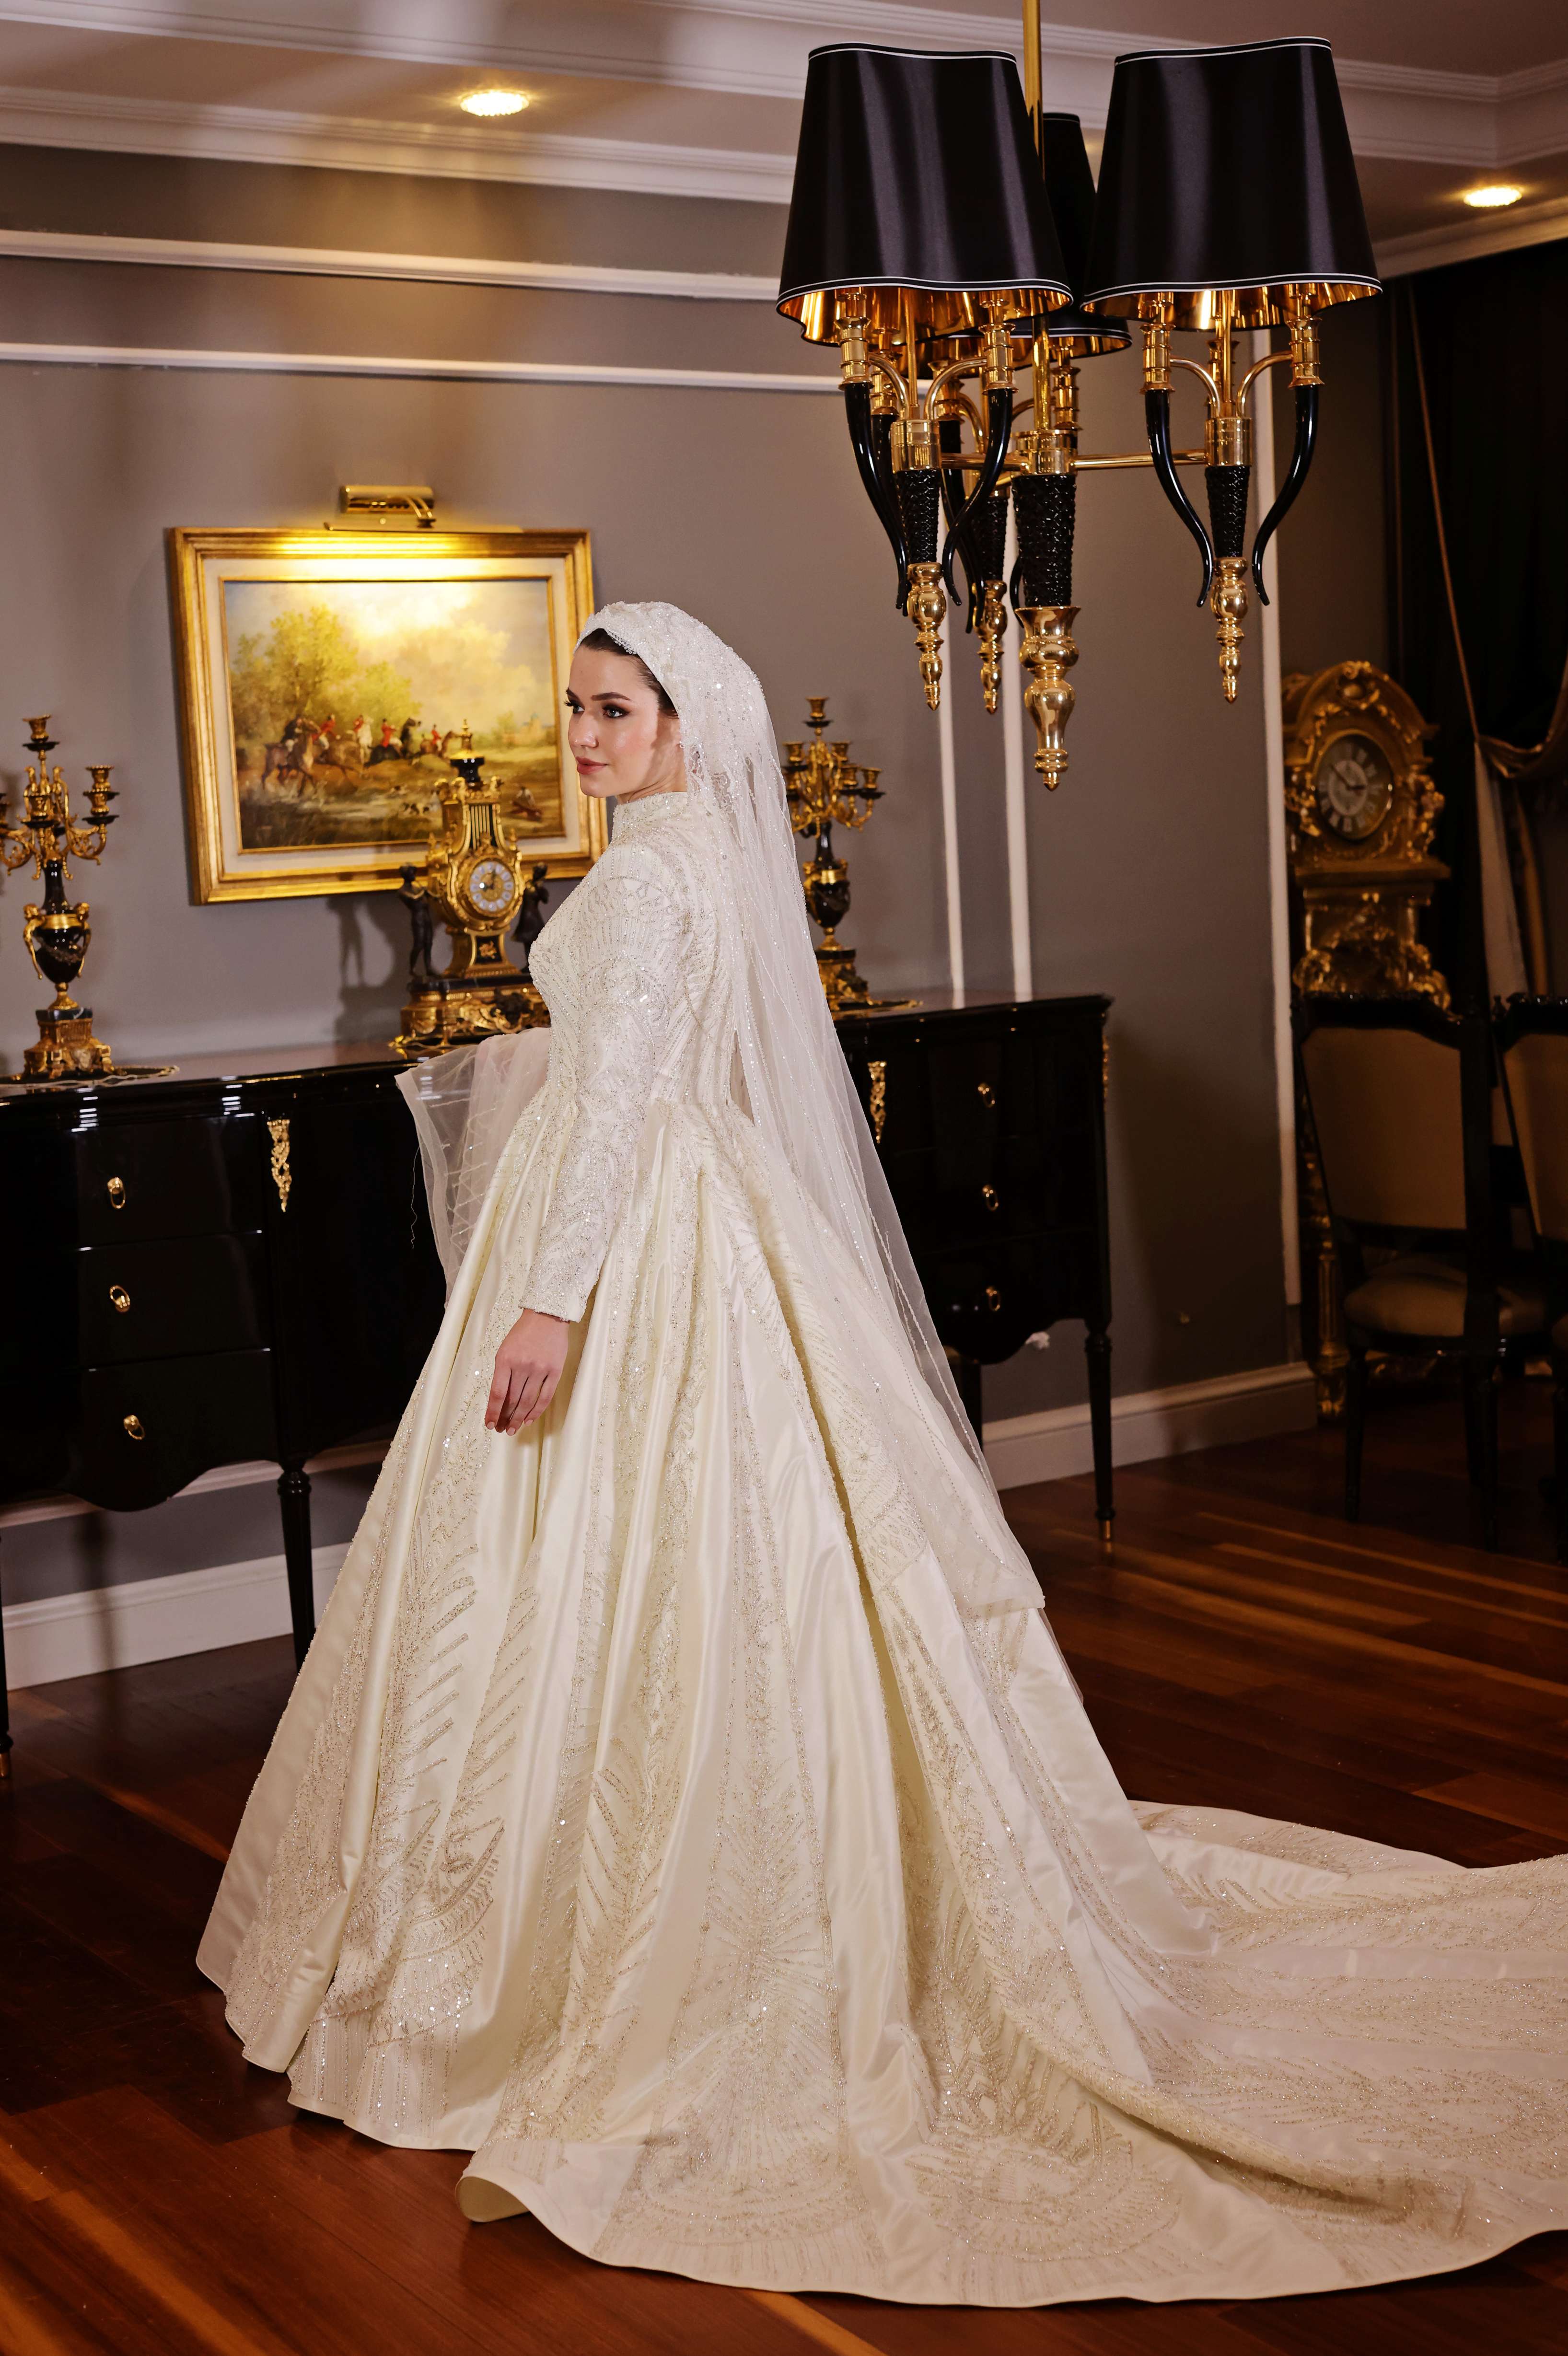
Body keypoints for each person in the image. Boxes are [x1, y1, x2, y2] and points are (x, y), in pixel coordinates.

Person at [200, 603, 1568, 2308]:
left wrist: (551, 1302)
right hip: (700, 1221)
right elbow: (636, 1074)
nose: (586, 735)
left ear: (686, 725)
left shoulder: (651, 879)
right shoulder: (691, 862)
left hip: (627, 1243)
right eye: (577, 706)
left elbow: (617, 1104)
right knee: (708, 1566)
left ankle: (618, 1933)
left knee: (617, 1571)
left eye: (615, 710)